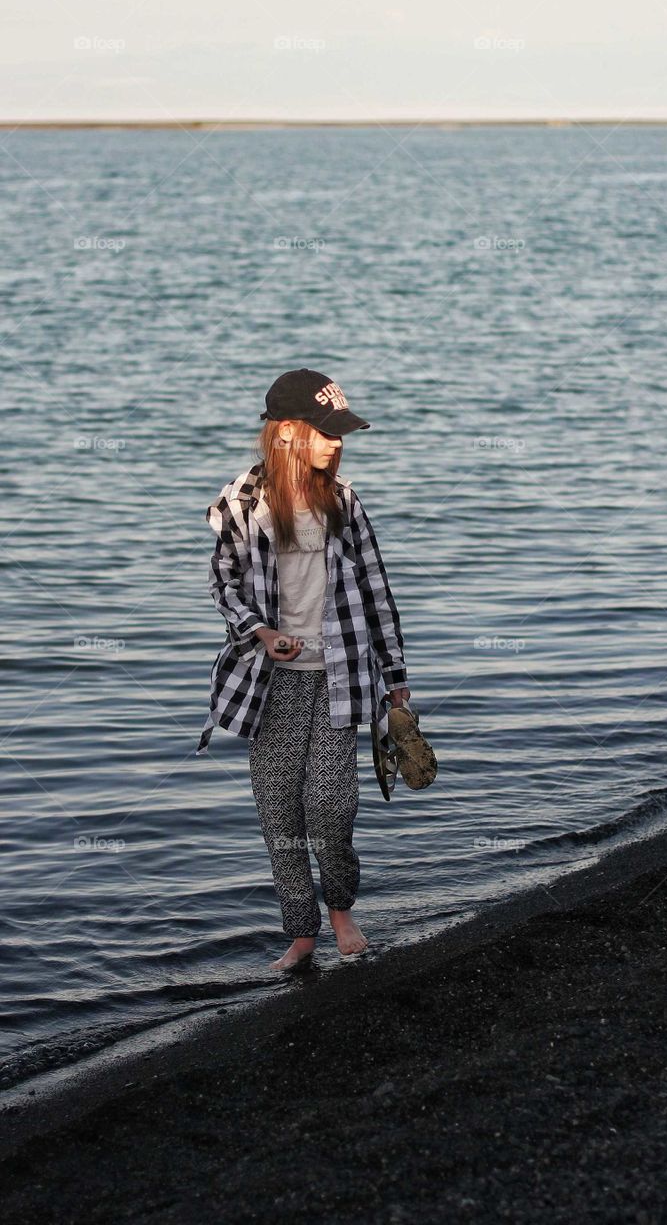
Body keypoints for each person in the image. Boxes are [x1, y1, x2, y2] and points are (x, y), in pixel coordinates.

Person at [196, 368, 426, 971]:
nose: (336, 442)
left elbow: (379, 590)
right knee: (278, 807)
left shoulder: (343, 501)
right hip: (269, 680)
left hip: (339, 674)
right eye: (325, 431)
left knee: (330, 804)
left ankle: (341, 910)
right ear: (289, 432)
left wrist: (395, 677)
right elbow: (221, 584)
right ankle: (301, 933)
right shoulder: (240, 502)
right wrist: (260, 632)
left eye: (340, 433)